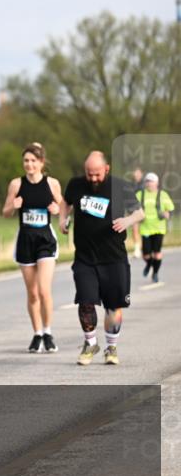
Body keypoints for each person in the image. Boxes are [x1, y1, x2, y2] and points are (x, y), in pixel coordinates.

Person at [59, 151, 144, 366]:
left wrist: (127, 221)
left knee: (113, 308)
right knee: (86, 301)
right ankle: (90, 344)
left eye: (97, 174)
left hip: (113, 257)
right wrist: (63, 219)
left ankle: (111, 347)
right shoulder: (76, 185)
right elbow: (65, 203)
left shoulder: (120, 186)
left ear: (106, 169)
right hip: (85, 257)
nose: (93, 178)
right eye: (89, 174)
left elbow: (139, 213)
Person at [2, 142, 63, 353]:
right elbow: (6, 212)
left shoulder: (52, 183)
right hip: (25, 240)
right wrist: (13, 206)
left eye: (33, 161)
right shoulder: (16, 184)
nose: (29, 165)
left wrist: (57, 210)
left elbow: (64, 210)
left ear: (41, 163)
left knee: (45, 290)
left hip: (45, 239)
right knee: (33, 293)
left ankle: (48, 331)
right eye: (26, 161)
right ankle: (37, 334)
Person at [137, 172, 174, 283]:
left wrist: (167, 214)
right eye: (147, 181)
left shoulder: (163, 194)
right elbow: (133, 207)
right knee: (146, 255)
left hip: (159, 228)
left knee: (157, 253)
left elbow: (170, 209)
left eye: (151, 181)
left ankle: (155, 273)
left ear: (157, 183)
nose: (149, 183)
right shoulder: (140, 194)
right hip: (145, 228)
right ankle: (149, 264)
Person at [130, 167, 145, 258]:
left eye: (138, 174)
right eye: (135, 174)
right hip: (135, 209)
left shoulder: (145, 185)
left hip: (145, 209)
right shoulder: (132, 185)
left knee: (144, 231)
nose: (136, 175)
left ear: (142, 174)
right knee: (135, 230)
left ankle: (145, 249)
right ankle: (137, 250)